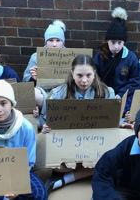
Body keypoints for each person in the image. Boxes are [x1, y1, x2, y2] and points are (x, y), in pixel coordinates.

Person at [40, 54, 115, 193]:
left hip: (95, 143)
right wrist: (45, 128)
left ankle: (65, 180)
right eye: (79, 75)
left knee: (107, 161)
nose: (84, 80)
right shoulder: (58, 94)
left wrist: (122, 120)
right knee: (59, 167)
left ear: (94, 73)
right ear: (72, 74)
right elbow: (44, 120)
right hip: (69, 144)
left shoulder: (106, 92)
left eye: (88, 75)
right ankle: (80, 173)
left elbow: (113, 124)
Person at [0, 80, 47, 200]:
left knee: (39, 194)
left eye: (3, 103)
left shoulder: (26, 128)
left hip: (20, 171)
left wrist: (16, 186)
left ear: (11, 104)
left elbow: (29, 162)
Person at [94, 7, 140, 103]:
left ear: (124, 42)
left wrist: (121, 94)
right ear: (107, 41)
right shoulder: (100, 56)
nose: (116, 47)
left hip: (122, 96)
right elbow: (94, 75)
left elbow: (135, 80)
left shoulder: (130, 58)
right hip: (102, 93)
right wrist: (101, 90)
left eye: (120, 42)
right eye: (113, 42)